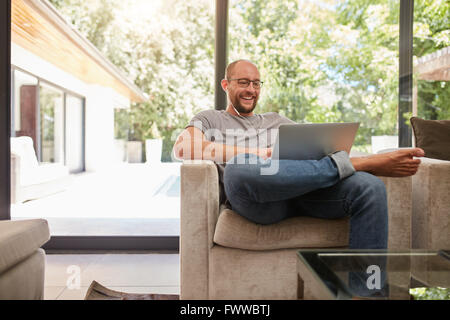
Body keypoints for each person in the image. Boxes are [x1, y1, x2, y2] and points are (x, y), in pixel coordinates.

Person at [173, 59, 424, 249]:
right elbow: (184, 148)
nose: (251, 89)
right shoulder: (209, 118)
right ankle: (358, 164)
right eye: (243, 82)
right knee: (240, 167)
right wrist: (260, 154)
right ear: (226, 85)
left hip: (304, 193)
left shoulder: (278, 121)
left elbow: (316, 151)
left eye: (256, 83)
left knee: (370, 187)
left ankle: (368, 293)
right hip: (259, 200)